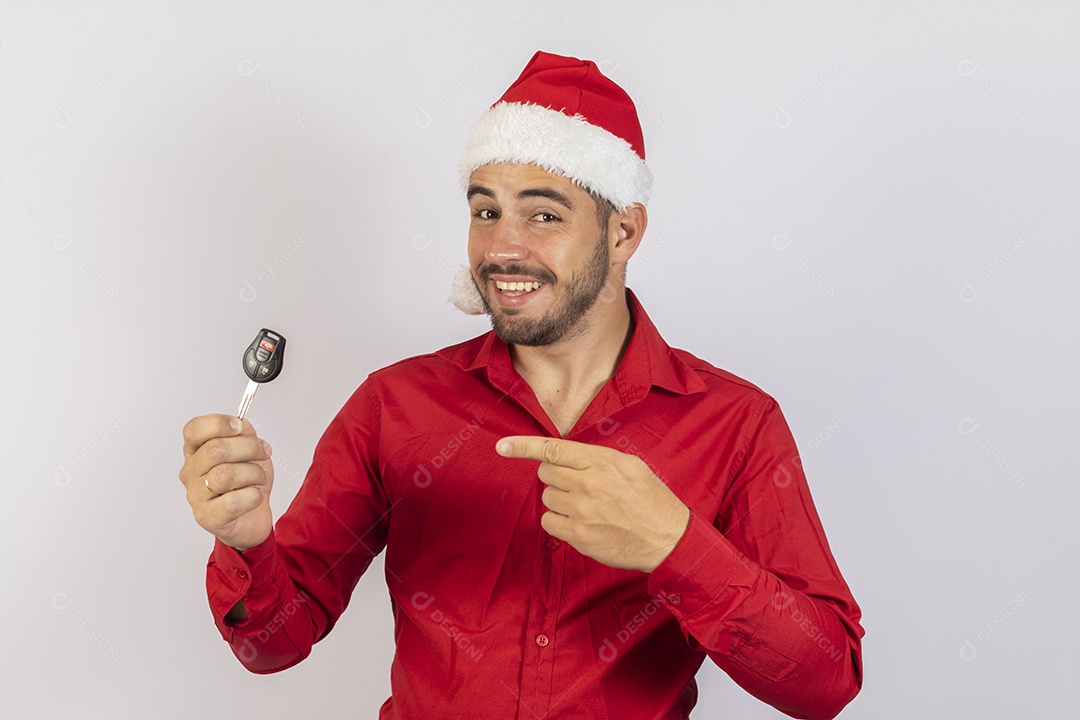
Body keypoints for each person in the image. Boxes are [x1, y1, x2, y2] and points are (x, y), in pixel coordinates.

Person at [179, 51, 864, 720]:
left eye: (543, 215)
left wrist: (675, 546)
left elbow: (824, 683)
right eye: (485, 212)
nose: (503, 247)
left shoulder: (735, 425)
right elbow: (271, 644)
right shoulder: (395, 406)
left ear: (623, 231)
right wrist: (245, 542)